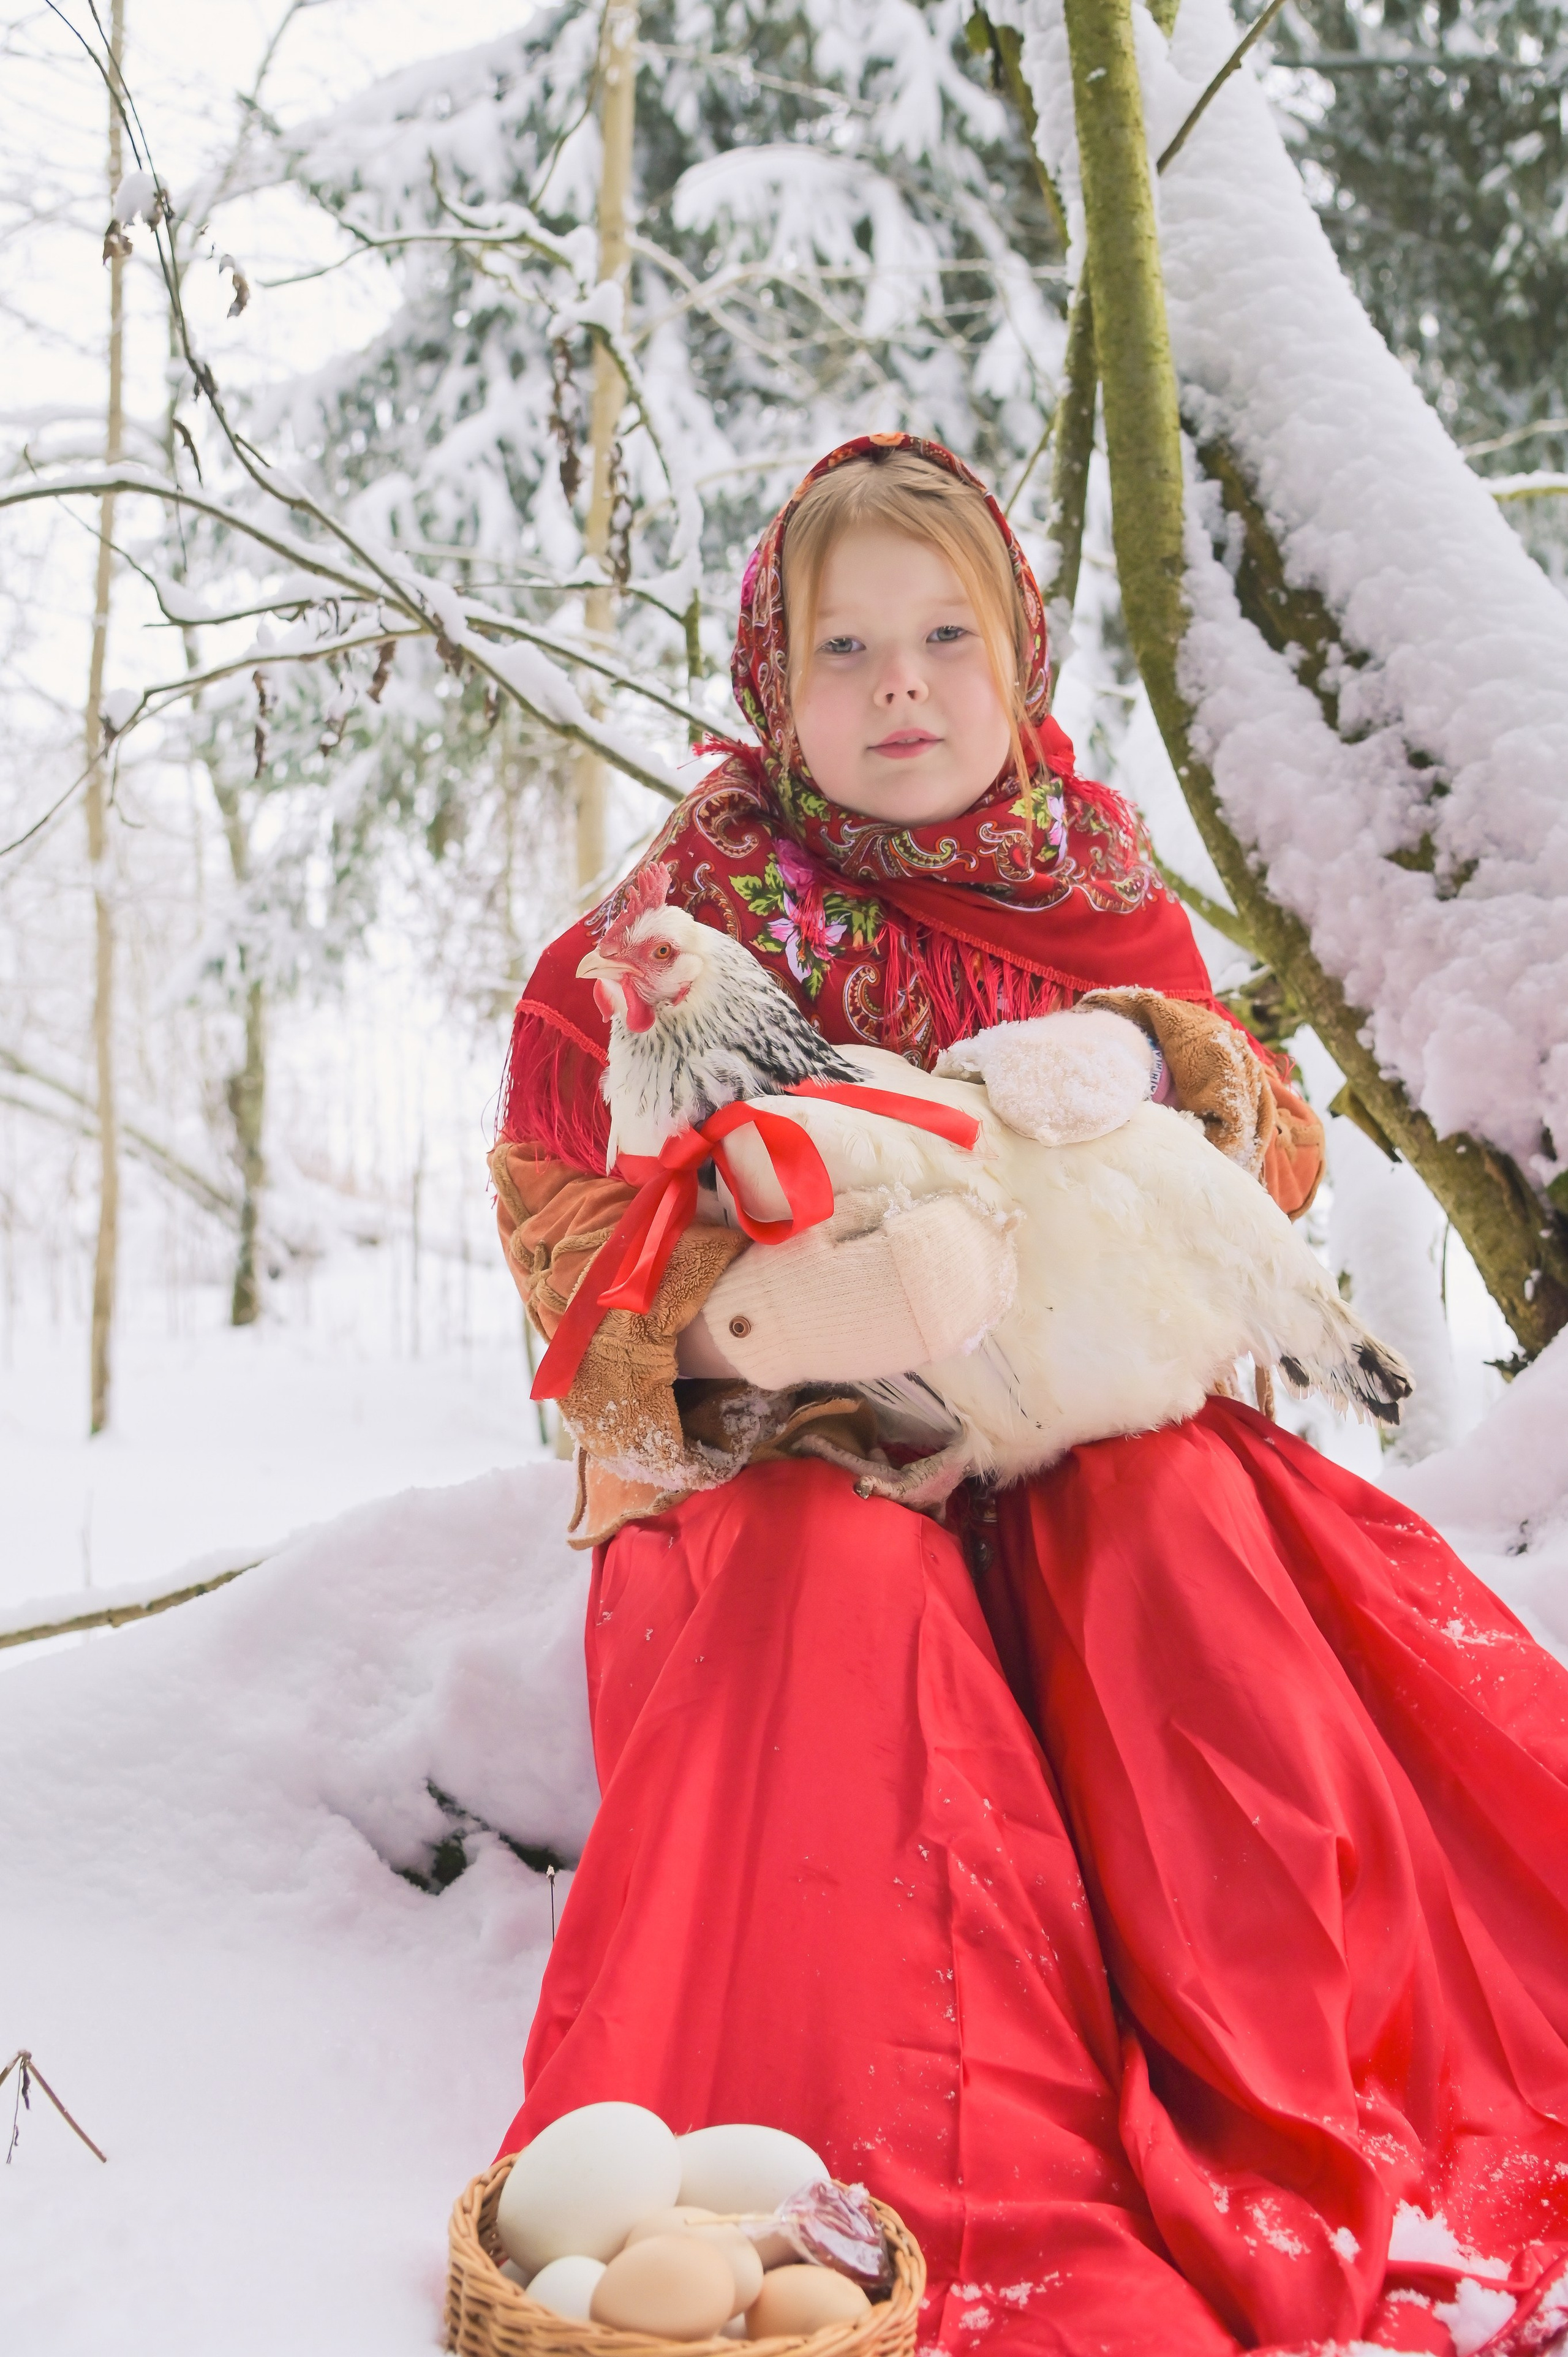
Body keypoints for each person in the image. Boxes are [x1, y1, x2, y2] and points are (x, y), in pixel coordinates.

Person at [488, 436, 1568, 2357]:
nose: (900, 685)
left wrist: (1163, 1066)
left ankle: (1291, 2088)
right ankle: (903, 2173)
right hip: (788, 1475)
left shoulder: (1093, 886)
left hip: (1066, 1435)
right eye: (843, 648)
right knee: (837, 1585)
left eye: (944, 638)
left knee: (1180, 1532)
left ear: (1018, 657)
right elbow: (565, 1244)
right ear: (772, 683)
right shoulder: (656, 938)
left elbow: (1271, 1152)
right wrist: (744, 1324)